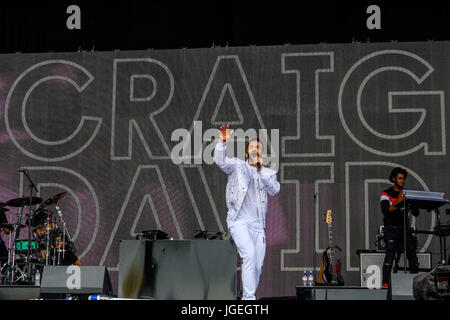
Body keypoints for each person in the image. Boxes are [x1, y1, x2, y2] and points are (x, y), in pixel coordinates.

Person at [214, 124, 280, 300]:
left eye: (258, 147)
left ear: (262, 153)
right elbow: (220, 160)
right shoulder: (237, 166)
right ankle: (249, 300)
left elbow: (274, 190)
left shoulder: (267, 172)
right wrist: (222, 142)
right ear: (246, 153)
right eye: (251, 147)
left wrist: (260, 170)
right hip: (239, 221)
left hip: (259, 227)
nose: (255, 149)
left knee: (257, 265)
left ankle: (247, 296)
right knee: (249, 255)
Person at [380, 167, 419, 289]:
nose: (402, 181)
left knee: (412, 255)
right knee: (390, 256)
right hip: (391, 230)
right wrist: (399, 201)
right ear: (394, 179)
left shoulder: (407, 194)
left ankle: (416, 283)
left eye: (403, 179)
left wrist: (412, 203)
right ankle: (385, 284)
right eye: (400, 178)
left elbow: (416, 213)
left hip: (404, 229)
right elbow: (386, 211)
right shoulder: (385, 194)